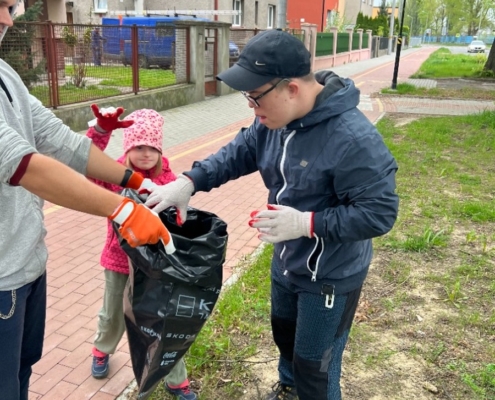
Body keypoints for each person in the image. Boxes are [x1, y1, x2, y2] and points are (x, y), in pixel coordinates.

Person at [145, 29, 399, 400]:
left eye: (255, 96)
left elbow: (379, 214)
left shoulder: (353, 139)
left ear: (291, 88)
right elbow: (240, 151)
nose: (251, 107)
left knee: (316, 365)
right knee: (285, 337)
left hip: (329, 276)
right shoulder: (275, 123)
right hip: (286, 262)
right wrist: (188, 182)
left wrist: (306, 223)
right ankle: (288, 389)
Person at [0, 2, 173, 399]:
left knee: (20, 375)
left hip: (26, 265)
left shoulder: (6, 75)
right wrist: (123, 207)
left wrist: (134, 180)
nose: (8, 20)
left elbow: (61, 142)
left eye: (11, 6)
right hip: (2, 280)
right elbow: (26, 165)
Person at [86, 107, 197, 400]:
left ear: (160, 150)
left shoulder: (168, 179)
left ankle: (176, 378)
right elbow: (86, 165)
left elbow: (177, 217)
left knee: (162, 321)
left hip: (156, 267)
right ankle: (102, 348)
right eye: (138, 146)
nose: (146, 153)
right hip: (118, 261)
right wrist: (100, 133)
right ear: (128, 147)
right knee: (112, 313)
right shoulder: (115, 175)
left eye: (152, 147)